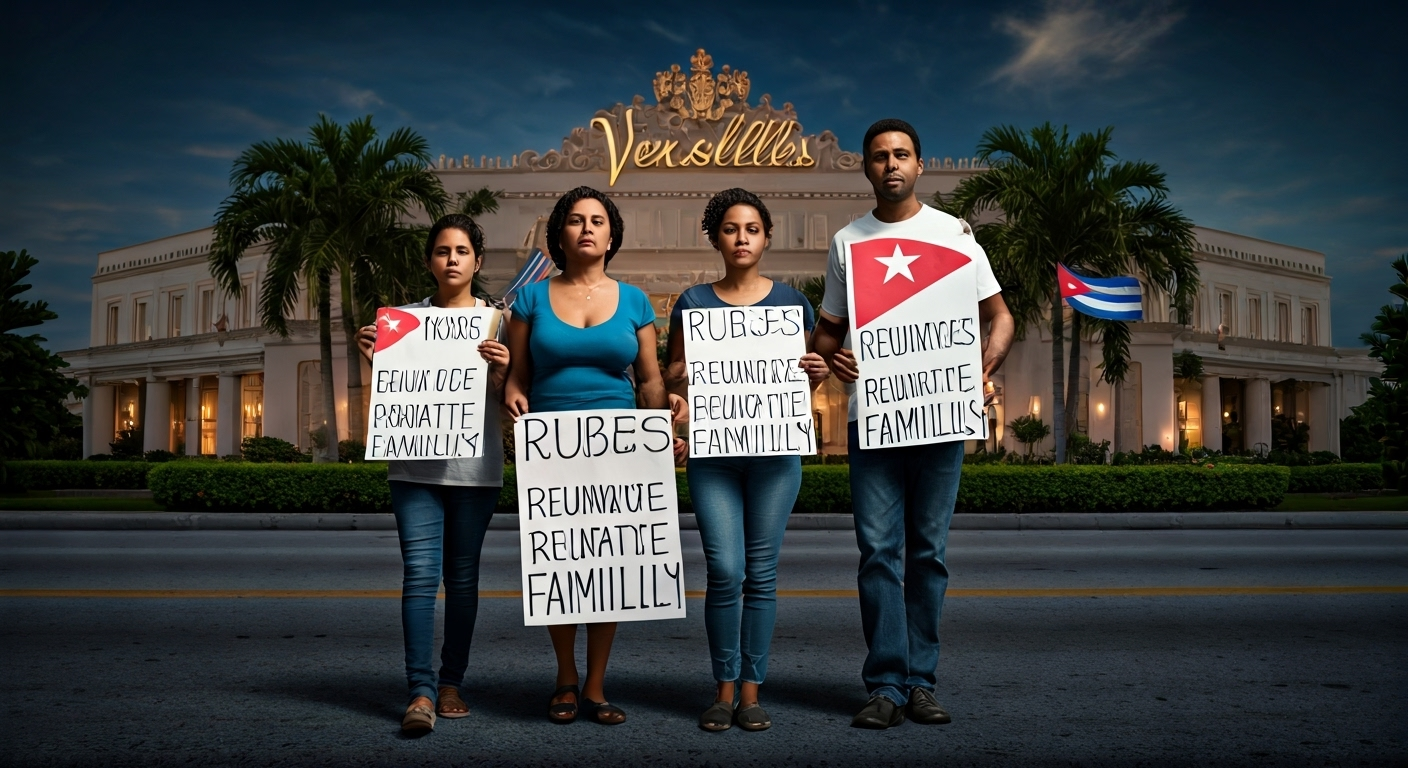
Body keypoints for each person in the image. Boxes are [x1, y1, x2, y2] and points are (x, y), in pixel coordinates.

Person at [810, 119, 1015, 729]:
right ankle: (885, 684)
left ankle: (921, 681)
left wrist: (980, 367)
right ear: (866, 168)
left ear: (920, 164)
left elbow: (999, 318)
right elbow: (827, 334)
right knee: (878, 553)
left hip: (941, 418)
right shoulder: (847, 242)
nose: (891, 164)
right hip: (874, 423)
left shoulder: (955, 234)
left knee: (929, 553)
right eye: (879, 156)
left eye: (901, 154)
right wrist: (827, 360)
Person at [503, 185, 687, 726]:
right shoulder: (531, 299)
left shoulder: (634, 300)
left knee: (608, 566)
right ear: (559, 233)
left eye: (598, 220)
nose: (588, 227)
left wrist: (665, 430)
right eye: (576, 220)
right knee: (561, 563)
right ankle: (565, 678)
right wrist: (513, 394)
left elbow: (650, 381)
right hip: (552, 447)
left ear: (612, 234)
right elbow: (518, 375)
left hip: (620, 446)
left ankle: (597, 686)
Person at [665, 188, 831, 732]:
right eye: (731, 229)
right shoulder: (692, 303)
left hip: (775, 457)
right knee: (725, 569)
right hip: (715, 458)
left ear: (766, 237)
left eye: (752, 229)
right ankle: (722, 688)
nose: (741, 238)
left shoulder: (792, 305)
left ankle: (752, 693)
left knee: (760, 574)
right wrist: (681, 384)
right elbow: (670, 376)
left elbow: (806, 378)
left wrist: (817, 372)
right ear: (716, 237)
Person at [355, 213, 511, 735]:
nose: (452, 260)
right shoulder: (402, 323)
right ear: (430, 261)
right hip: (414, 469)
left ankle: (451, 684)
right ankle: (419, 691)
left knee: (463, 582)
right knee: (420, 577)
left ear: (477, 261)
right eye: (443, 251)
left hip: (475, 470)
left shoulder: (498, 322)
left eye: (462, 252)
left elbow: (508, 399)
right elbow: (394, 396)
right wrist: (374, 358)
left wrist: (503, 370)